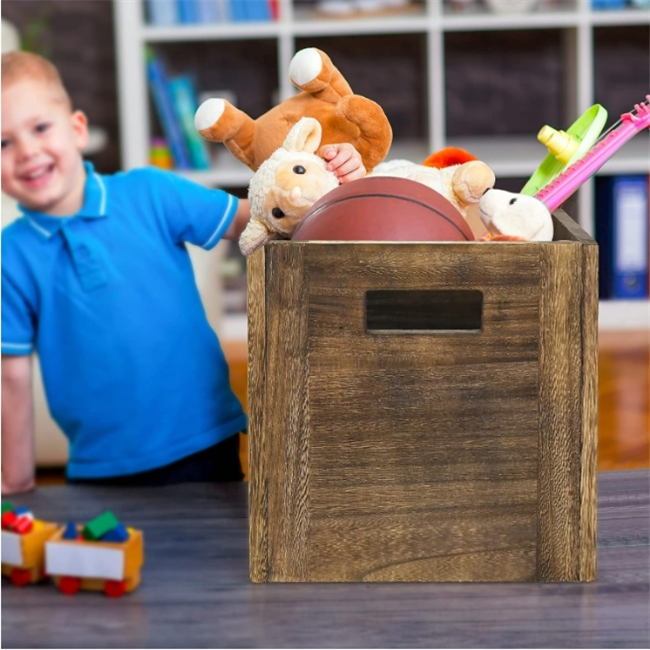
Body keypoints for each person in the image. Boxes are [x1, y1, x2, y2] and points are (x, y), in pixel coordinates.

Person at [1, 51, 366, 493]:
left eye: (40, 128)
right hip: (98, 467)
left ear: (77, 129)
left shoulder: (150, 192)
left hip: (203, 445)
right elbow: (10, 375)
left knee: (210, 560)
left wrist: (336, 180)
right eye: (4, 143)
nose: (27, 152)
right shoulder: (10, 254)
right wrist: (17, 490)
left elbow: (271, 220)